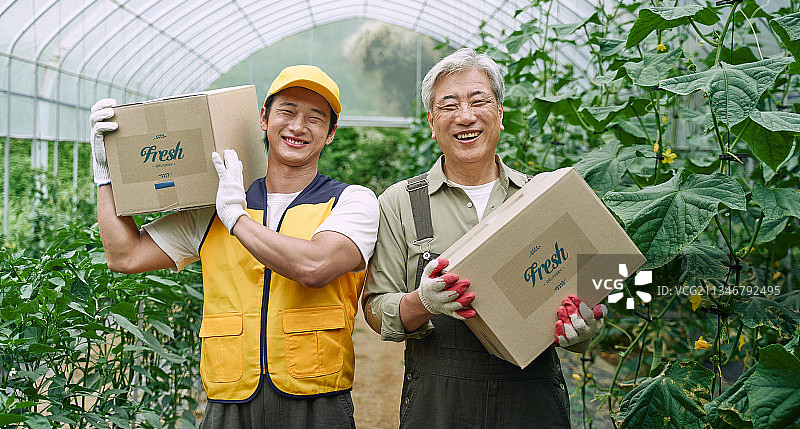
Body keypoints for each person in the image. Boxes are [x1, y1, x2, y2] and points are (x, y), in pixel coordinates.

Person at [91, 65, 379, 429]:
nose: (297, 127)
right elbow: (125, 255)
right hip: (230, 395)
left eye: (315, 118)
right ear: (263, 118)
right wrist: (107, 176)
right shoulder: (216, 207)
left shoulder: (350, 201)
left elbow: (315, 266)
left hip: (317, 397)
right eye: (287, 112)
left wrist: (237, 219)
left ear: (331, 133)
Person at [361, 48, 607, 428]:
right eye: (449, 105)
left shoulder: (542, 198)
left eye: (479, 101)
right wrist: (423, 301)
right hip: (439, 402)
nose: (465, 116)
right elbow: (376, 310)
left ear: (500, 113)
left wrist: (583, 328)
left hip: (531, 397)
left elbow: (587, 286)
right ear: (431, 121)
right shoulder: (400, 203)